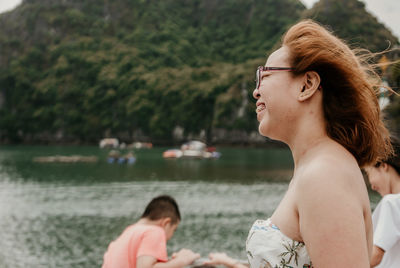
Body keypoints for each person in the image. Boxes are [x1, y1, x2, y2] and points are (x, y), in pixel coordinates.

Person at [250, 19, 393, 267]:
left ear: (307, 85)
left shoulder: (325, 175)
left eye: (266, 75)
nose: (256, 90)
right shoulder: (319, 167)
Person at [102, 195, 200, 268]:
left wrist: (169, 262)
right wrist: (182, 261)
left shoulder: (126, 234)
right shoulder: (154, 231)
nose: (171, 236)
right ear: (166, 223)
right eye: (174, 230)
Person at [364, 139, 400, 268]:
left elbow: (375, 255)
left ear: (383, 166)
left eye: (369, 173)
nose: (372, 186)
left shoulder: (391, 202)